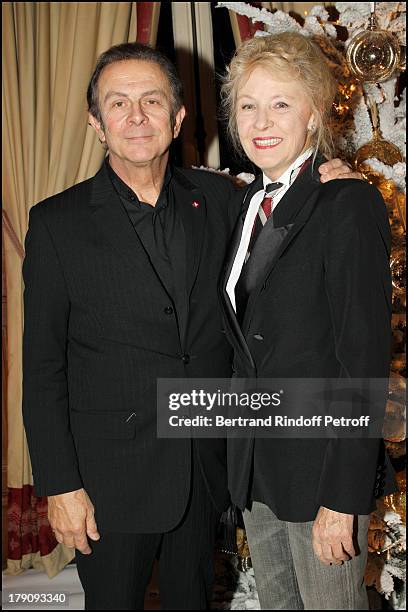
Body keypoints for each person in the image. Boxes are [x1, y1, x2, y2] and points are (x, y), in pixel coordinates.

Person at [22, 41, 356, 610]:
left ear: (177, 119)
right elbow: (43, 370)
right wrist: (60, 486)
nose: (136, 116)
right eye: (118, 103)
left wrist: (333, 186)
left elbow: (287, 220)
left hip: (204, 471)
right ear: (96, 123)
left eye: (152, 101)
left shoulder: (222, 200)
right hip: (109, 483)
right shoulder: (56, 224)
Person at [219, 32, 397, 610]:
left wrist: (343, 498)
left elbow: (361, 361)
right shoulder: (246, 204)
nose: (261, 120)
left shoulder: (346, 204)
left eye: (281, 104)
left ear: (314, 114)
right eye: (248, 104)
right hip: (260, 466)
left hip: (321, 471)